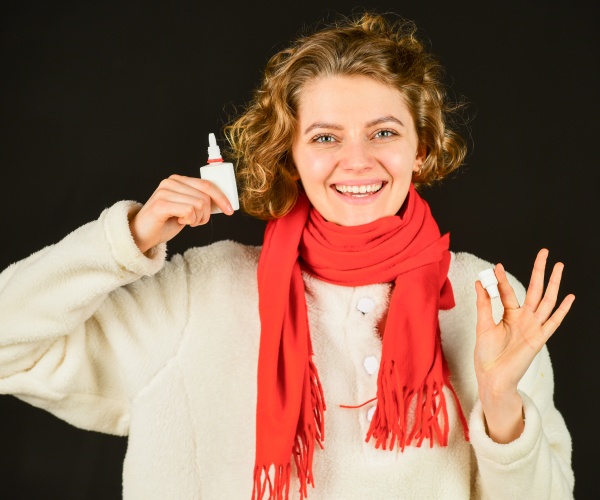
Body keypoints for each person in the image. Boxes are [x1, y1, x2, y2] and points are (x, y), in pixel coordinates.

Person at [0, 11, 575, 500]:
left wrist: (502, 408)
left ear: (421, 149)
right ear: (290, 156)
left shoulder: (488, 299)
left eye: (384, 133)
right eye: (325, 137)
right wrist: (126, 241)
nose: (357, 161)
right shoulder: (203, 291)